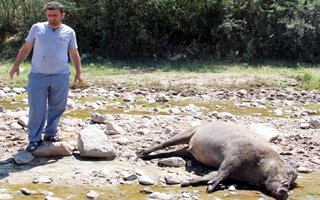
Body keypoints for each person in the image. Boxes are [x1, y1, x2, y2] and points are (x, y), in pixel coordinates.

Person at [9, 2, 83, 152]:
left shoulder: (69, 32)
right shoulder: (37, 28)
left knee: (58, 107)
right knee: (37, 108)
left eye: (55, 15)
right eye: (49, 15)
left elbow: (73, 53)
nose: (52, 18)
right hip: (38, 75)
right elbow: (27, 47)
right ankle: (34, 139)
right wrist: (16, 65)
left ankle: (50, 133)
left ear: (62, 15)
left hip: (61, 75)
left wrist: (79, 73)